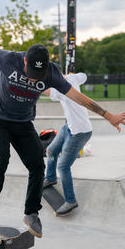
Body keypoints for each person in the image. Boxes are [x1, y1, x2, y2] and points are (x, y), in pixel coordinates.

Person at [0, 17, 125, 238]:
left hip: (23, 123)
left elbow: (77, 96)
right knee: (1, 160)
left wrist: (108, 116)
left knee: (37, 165)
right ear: (25, 62)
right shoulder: (9, 59)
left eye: (38, 78)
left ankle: (31, 214)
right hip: (0, 120)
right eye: (31, 75)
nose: (33, 81)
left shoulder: (52, 73)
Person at [42, 72, 92, 216]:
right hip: (69, 127)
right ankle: (50, 178)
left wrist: (34, 82)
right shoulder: (73, 78)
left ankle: (70, 200)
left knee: (63, 166)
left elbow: (45, 90)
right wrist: (71, 74)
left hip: (80, 132)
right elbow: (84, 76)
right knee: (51, 151)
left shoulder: (62, 90)